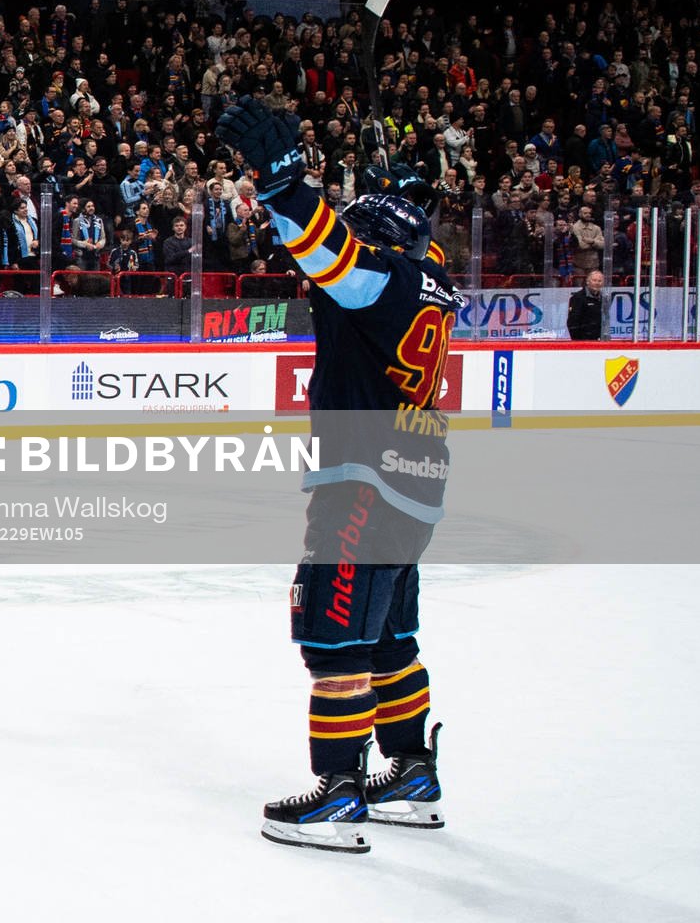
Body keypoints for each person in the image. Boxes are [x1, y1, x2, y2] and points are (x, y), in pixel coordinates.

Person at [218, 96, 457, 854]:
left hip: (362, 477)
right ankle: (412, 771)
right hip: (419, 476)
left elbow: (332, 256)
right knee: (390, 633)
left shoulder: (379, 282)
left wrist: (285, 182)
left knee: (333, 639)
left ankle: (340, 795)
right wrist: (400, 205)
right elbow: (404, 245)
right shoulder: (431, 278)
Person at [567, 268, 605, 340]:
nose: (597, 283)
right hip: (583, 340)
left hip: (598, 339)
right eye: (594, 280)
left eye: (599, 281)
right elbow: (572, 322)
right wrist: (578, 341)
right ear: (587, 282)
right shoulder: (578, 298)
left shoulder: (603, 298)